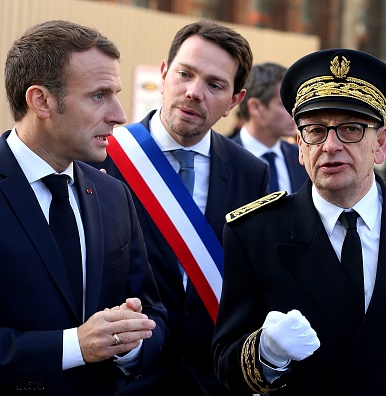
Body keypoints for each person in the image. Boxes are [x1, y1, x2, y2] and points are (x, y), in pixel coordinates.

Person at [0, 20, 167, 396]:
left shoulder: (114, 196)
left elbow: (154, 316)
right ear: (41, 101)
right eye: (98, 95)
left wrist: (129, 342)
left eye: (116, 94)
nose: (119, 114)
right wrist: (74, 346)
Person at [213, 47, 386, 395]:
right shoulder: (255, 234)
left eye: (350, 129)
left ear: (381, 143)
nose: (330, 145)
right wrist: (266, 353)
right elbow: (226, 367)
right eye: (315, 130)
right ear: (300, 146)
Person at [91, 19, 269, 396]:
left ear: (235, 101)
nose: (193, 92)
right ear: (163, 73)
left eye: (215, 84)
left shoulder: (250, 173)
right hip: (121, 378)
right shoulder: (103, 159)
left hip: (210, 382)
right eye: (185, 74)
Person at [232, 62, 307, 193]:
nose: (294, 112)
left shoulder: (302, 157)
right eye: (283, 104)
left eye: (295, 103)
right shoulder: (223, 159)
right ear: (255, 107)